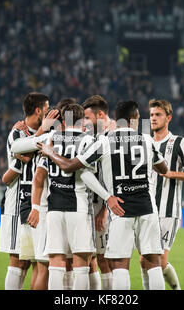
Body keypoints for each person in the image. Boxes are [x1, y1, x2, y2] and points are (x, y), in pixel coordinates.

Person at [38, 100, 169, 290]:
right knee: (153, 262)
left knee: (120, 265)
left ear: (117, 118)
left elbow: (73, 168)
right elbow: (163, 168)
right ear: (135, 119)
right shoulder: (148, 140)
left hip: (120, 208)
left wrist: (107, 196)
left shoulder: (105, 141)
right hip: (148, 209)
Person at [30, 103, 123, 290]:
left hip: (54, 209)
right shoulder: (88, 141)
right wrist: (107, 197)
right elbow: (90, 176)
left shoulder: (51, 139)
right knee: (83, 264)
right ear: (82, 123)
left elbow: (39, 175)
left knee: (56, 263)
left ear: (63, 121)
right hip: (79, 208)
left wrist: (35, 207)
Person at [140, 99, 184, 290]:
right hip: (146, 210)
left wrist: (170, 173)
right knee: (144, 260)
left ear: (169, 118)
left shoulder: (179, 143)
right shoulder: (144, 142)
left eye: (158, 115)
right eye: (151, 115)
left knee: (158, 260)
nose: (153, 118)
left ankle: (176, 288)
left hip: (168, 210)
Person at [0, 92, 53, 290]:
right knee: (18, 262)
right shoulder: (16, 133)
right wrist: (42, 133)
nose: (49, 115)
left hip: (36, 202)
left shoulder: (44, 132)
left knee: (39, 261)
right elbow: (25, 155)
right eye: (47, 110)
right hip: (15, 203)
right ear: (38, 111)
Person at [82, 95, 116, 290]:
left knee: (104, 260)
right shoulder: (94, 136)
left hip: (103, 206)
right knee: (89, 260)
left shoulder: (113, 136)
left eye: (87, 118)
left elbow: (111, 177)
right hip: (87, 205)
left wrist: (103, 209)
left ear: (100, 114)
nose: (84, 122)